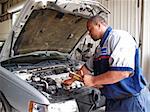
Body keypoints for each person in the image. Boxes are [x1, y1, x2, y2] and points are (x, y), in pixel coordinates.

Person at [64, 15, 150, 112]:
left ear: (99, 25)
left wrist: (93, 80)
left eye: (90, 29)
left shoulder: (119, 37)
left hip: (130, 101)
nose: (89, 33)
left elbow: (122, 72)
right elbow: (86, 68)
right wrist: (71, 80)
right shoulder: (100, 49)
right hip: (112, 101)